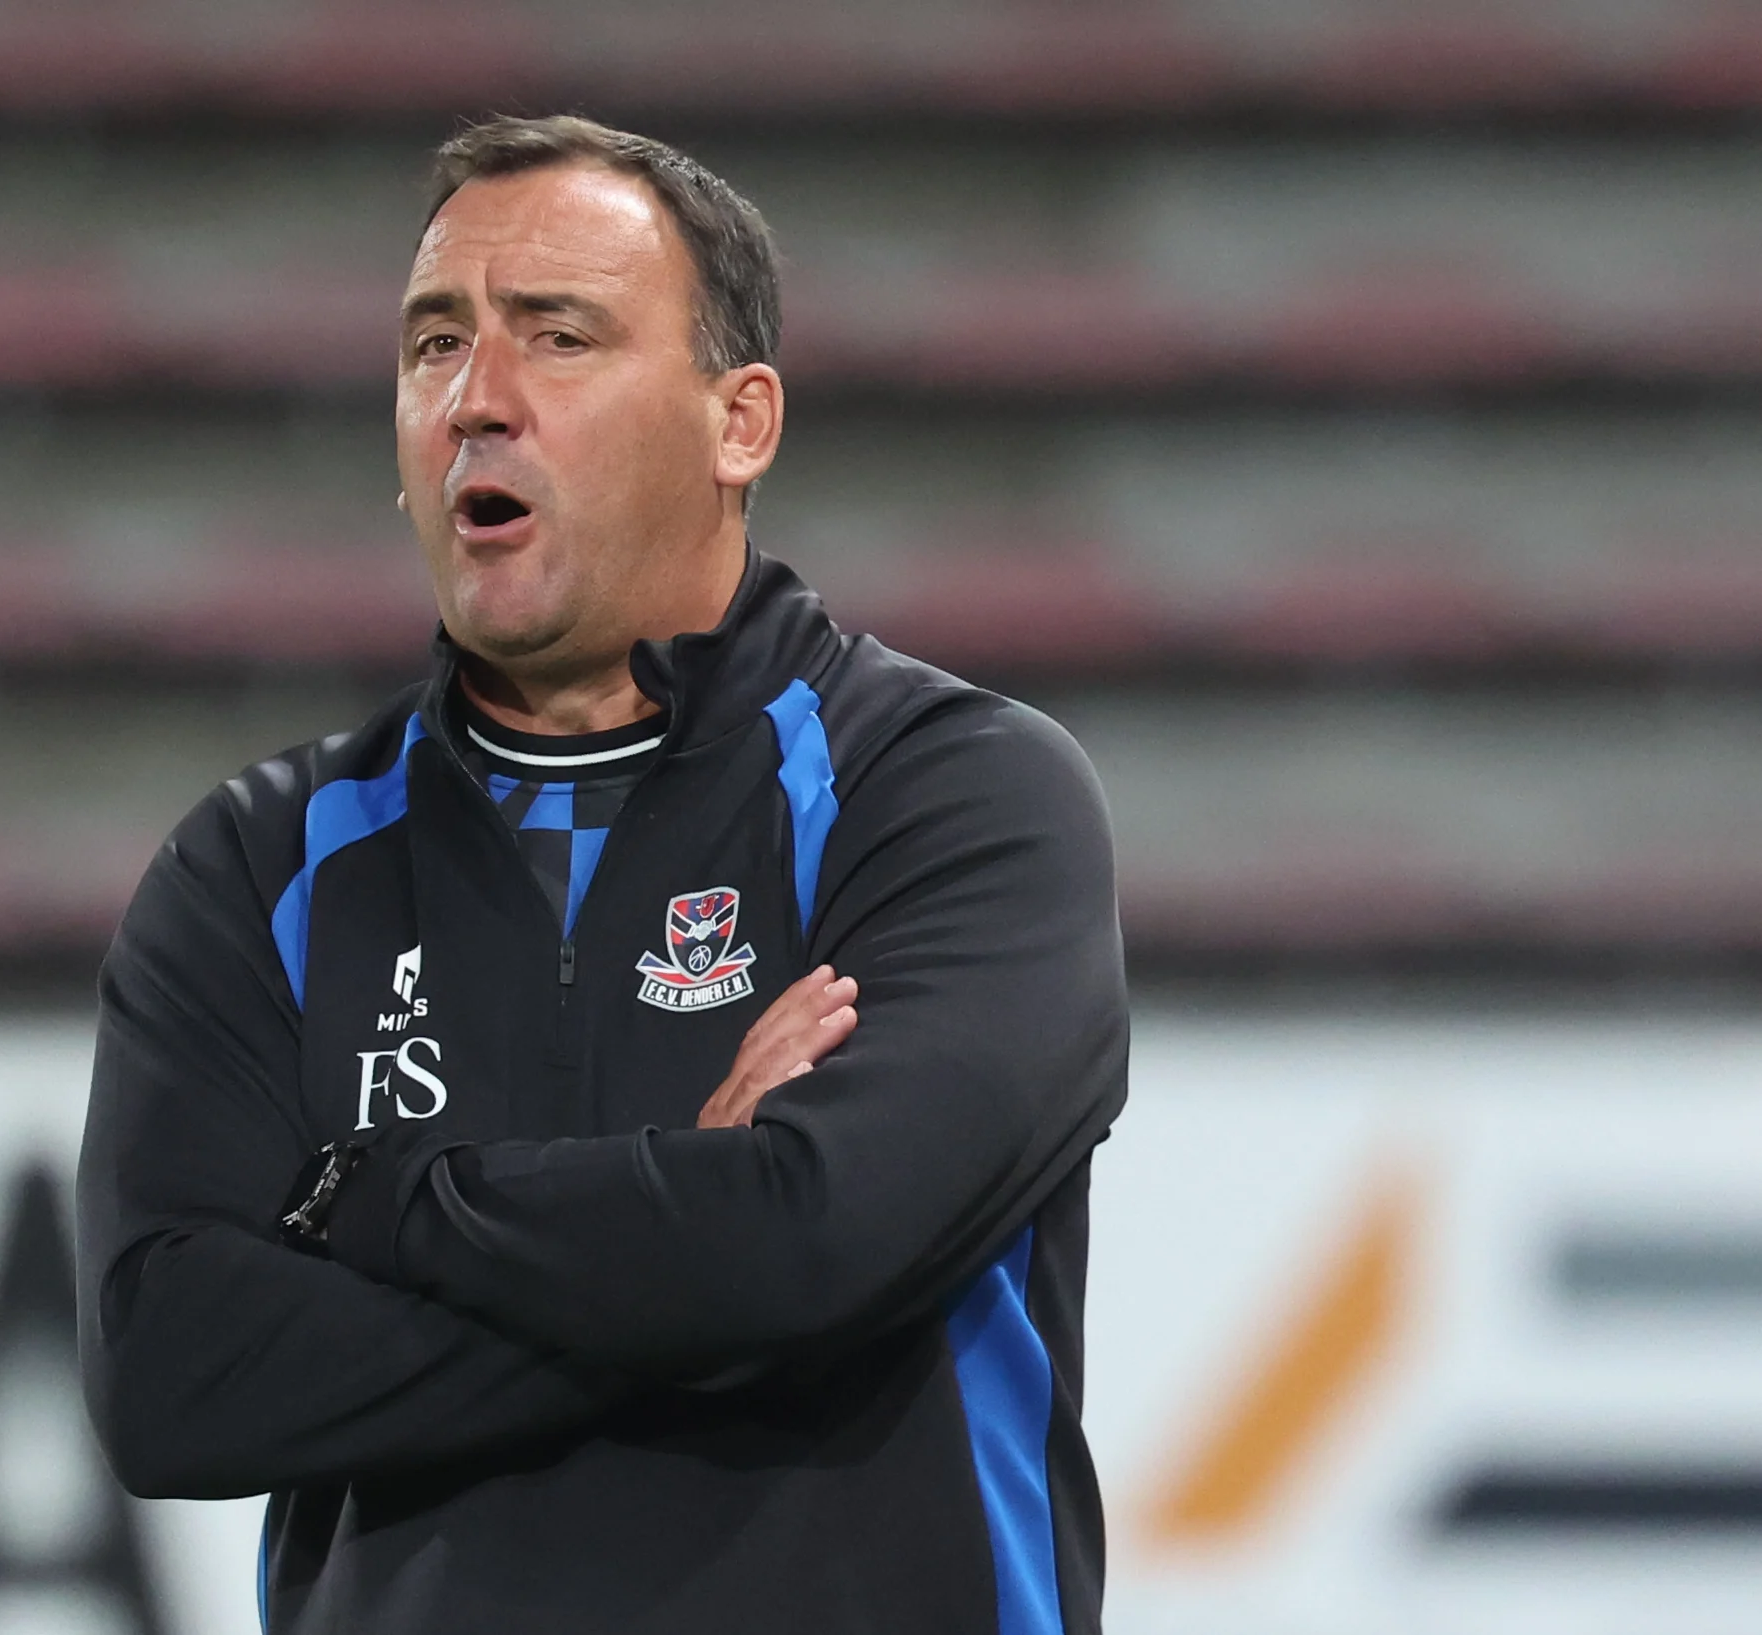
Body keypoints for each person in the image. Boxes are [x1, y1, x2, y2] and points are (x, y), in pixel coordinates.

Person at [77, 115, 1127, 1635]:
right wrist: (690, 1231)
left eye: (556, 338)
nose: (474, 402)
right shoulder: (259, 861)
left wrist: (363, 1200)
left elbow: (808, 1236)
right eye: (434, 346)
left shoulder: (957, 793)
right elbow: (169, 1378)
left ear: (739, 421)